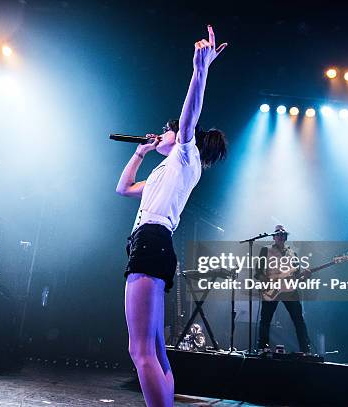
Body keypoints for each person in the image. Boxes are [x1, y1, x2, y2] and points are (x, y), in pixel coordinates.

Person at [116, 26, 228, 407]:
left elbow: (189, 115)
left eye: (168, 131)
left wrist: (201, 71)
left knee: (141, 350)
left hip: (151, 243)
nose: (164, 133)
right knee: (156, 351)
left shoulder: (185, 156)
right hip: (151, 245)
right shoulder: (164, 174)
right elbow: (123, 189)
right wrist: (140, 153)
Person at [254, 225, 311, 353]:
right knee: (265, 320)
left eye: (283, 234)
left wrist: (305, 276)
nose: (280, 236)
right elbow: (258, 272)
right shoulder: (266, 250)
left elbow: (297, 277)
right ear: (273, 237)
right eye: (278, 234)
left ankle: (306, 350)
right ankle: (262, 348)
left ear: (285, 237)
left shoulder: (292, 253)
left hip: (290, 292)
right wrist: (269, 283)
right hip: (271, 290)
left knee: (298, 320)